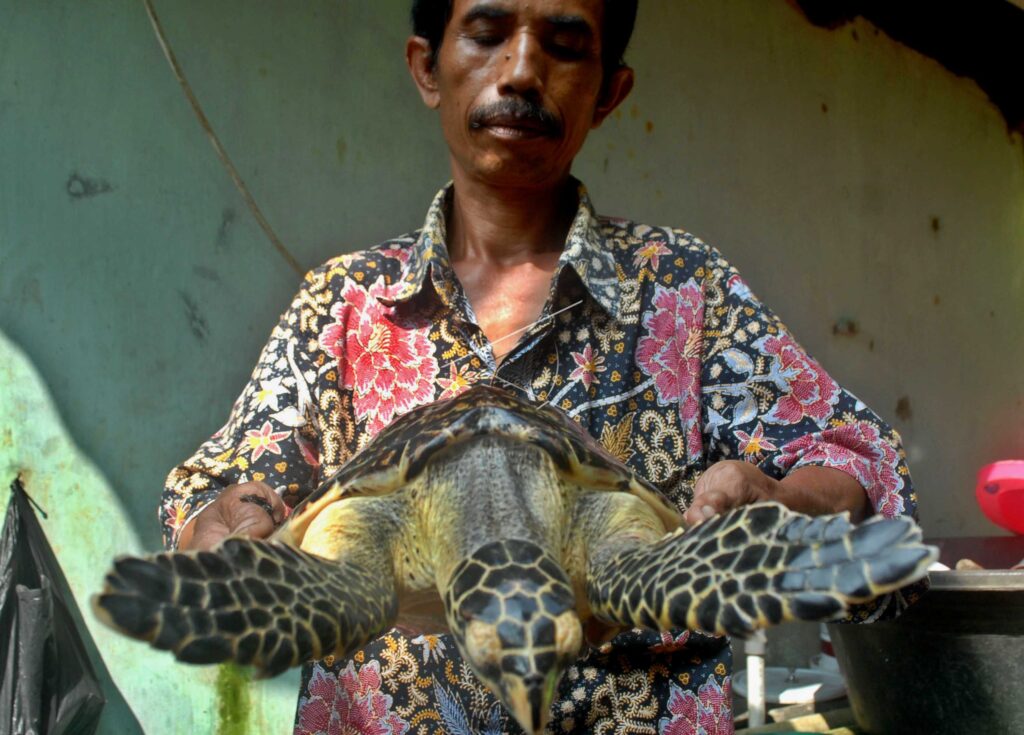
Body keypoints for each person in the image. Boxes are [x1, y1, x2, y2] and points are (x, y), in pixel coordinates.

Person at [161, 1, 923, 732]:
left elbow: (861, 461)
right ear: (427, 67)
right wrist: (225, 530)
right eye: (487, 31)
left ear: (609, 91)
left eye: (563, 45)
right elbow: (220, 486)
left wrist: (788, 499)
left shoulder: (687, 292)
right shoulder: (345, 305)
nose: (522, 71)